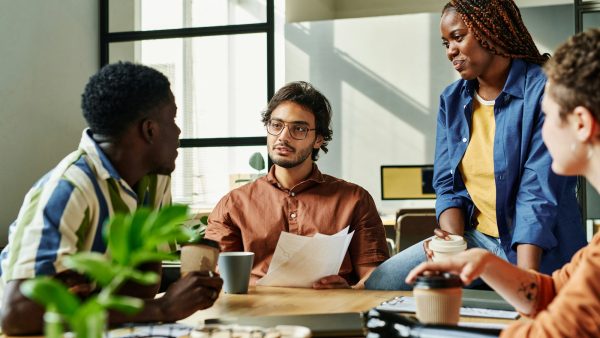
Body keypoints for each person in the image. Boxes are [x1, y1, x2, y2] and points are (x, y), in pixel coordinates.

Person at [366, 0, 586, 291]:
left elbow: (538, 194)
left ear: (490, 30)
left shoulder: (544, 91)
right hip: (477, 239)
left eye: (458, 37)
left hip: (541, 247)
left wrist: (527, 282)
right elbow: (447, 183)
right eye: (446, 43)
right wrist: (454, 248)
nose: (450, 51)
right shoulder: (453, 100)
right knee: (383, 283)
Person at [0, 62, 223, 335]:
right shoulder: (69, 190)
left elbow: (143, 287)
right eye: (173, 119)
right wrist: (162, 308)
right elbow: (17, 316)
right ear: (150, 130)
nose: (178, 132)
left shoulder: (154, 180)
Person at [407, 28, 600, 337]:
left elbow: (551, 331)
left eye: (547, 116)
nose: (541, 128)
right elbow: (554, 291)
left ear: (581, 123)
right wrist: (485, 261)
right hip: (481, 239)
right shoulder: (595, 253)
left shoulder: (533, 87)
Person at [206, 81, 390, 289]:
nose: (283, 137)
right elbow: (216, 279)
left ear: (318, 139)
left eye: (299, 129)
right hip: (257, 315)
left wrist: (349, 292)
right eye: (276, 125)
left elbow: (374, 278)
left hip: (333, 313)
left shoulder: (355, 199)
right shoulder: (233, 205)